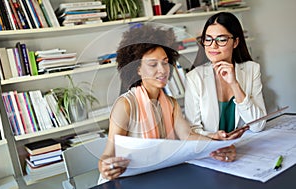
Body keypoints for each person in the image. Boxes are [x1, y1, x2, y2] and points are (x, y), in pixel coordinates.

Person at [98, 23, 248, 183]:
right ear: (138, 69)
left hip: (157, 177)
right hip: (124, 182)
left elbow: (187, 136)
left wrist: (216, 144)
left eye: (165, 62)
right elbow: (108, 154)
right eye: (153, 64)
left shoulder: (171, 103)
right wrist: (105, 166)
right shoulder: (125, 105)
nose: (162, 70)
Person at [185, 12, 267, 140]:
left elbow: (258, 125)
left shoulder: (252, 69)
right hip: (212, 148)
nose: (213, 45)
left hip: (246, 145)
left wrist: (234, 84)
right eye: (208, 39)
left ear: (235, 42)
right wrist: (214, 136)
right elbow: (193, 129)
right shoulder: (194, 77)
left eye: (221, 39)